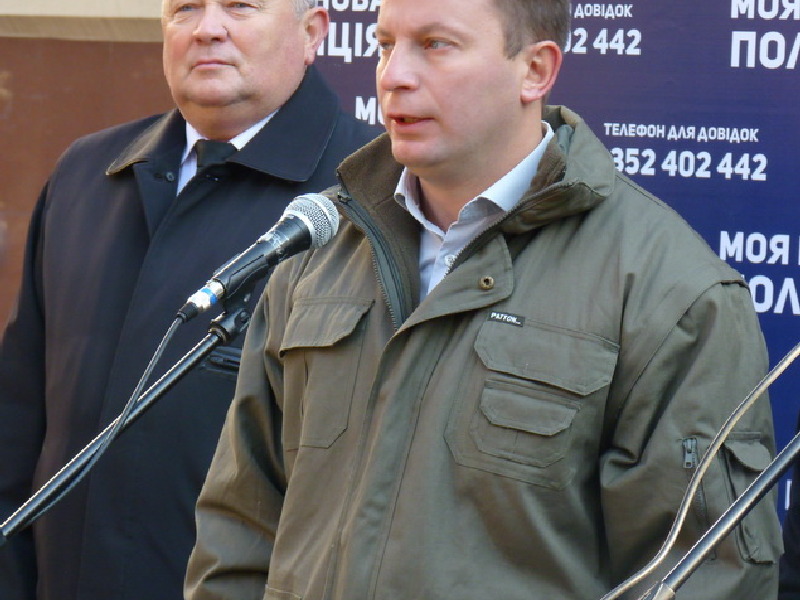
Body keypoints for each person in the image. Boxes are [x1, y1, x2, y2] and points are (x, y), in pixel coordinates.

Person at [184, 0, 782, 598]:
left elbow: (703, 577)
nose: (394, 75)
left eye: (436, 45)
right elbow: (241, 528)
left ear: (535, 70)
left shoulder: (669, 290)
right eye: (385, 45)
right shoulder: (320, 247)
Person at [0, 0, 378, 599]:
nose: (208, 29)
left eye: (240, 6)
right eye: (185, 9)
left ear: (312, 33)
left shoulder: (374, 193)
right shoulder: (87, 174)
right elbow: (20, 418)